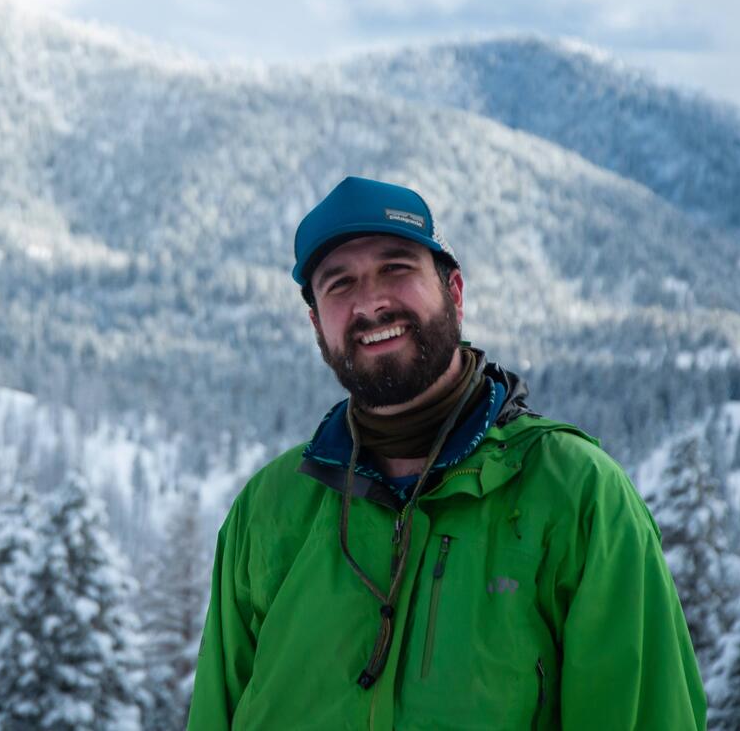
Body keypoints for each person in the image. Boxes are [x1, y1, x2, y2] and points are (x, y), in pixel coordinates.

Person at [186, 176, 706, 730]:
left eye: (396, 269)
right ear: (318, 325)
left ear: (453, 291)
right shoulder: (270, 509)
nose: (370, 302)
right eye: (339, 284)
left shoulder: (576, 495)